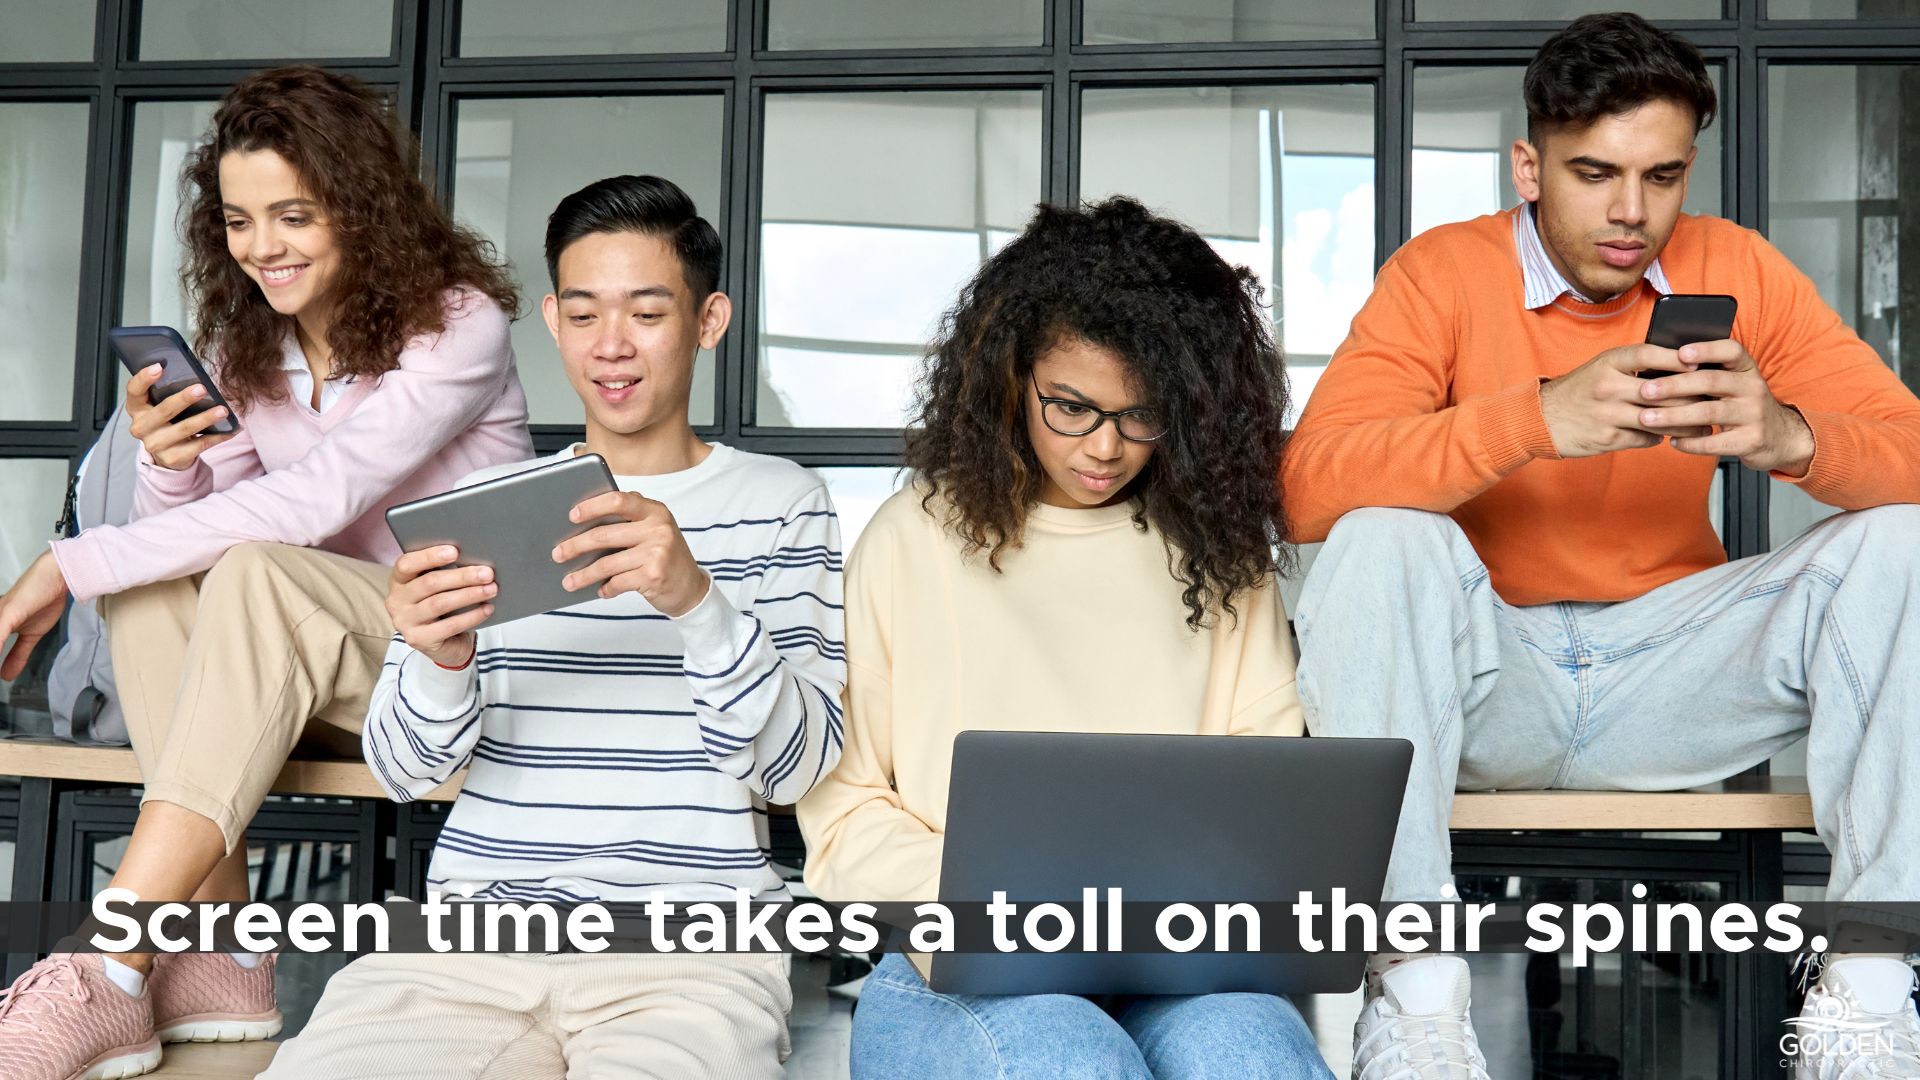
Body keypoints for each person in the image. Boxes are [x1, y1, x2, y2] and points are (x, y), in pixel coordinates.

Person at [1282, 14, 1920, 1079]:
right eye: (1595, 173)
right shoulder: (1442, 273)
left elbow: (1906, 450)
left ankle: (1866, 998)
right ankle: (1418, 1003)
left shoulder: (1739, 268)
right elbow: (1306, 489)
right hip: (1492, 682)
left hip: (1679, 679)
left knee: (1903, 543)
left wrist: (1790, 437)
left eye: (1662, 177)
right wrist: (1534, 420)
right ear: (1529, 166)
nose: (1633, 214)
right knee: (1382, 540)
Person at [0, 66, 531, 1080]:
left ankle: (110, 960)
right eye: (241, 221)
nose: (263, 247)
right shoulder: (249, 342)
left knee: (252, 567)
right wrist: (170, 464)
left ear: (362, 209)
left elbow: (314, 502)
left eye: (294, 214)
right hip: (309, 669)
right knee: (163, 581)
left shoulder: (458, 325)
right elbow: (199, 534)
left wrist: (63, 562)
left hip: (449, 658)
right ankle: (226, 952)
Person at [258, 175, 846, 1079]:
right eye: (582, 315)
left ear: (709, 320)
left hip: (691, 957)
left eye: (647, 313)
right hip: (466, 946)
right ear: (552, 320)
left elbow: (796, 768)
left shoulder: (782, 503)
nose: (611, 347)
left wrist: (696, 601)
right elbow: (406, 773)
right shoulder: (483, 511)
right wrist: (439, 659)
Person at [799, 196, 1332, 1079]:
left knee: (1255, 1058)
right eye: (1072, 407)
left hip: (1182, 967)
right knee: (1070, 1060)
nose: (1107, 448)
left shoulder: (1221, 555)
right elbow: (845, 811)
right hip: (956, 970)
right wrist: (1007, 903)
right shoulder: (910, 539)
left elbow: (1261, 797)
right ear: (1010, 378)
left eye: (1142, 415)